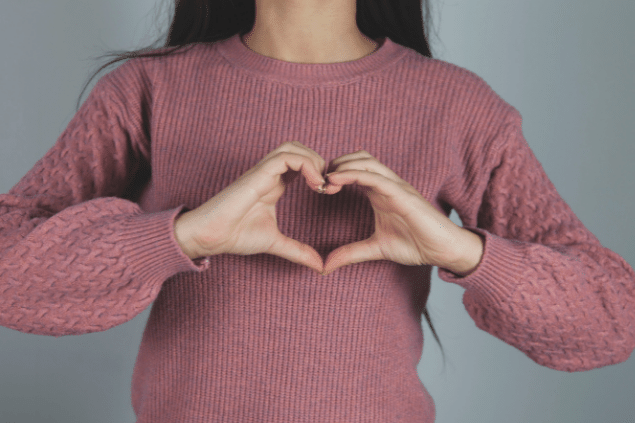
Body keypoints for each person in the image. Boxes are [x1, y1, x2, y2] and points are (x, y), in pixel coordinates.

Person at [1, 0, 634, 422]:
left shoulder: (458, 107)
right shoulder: (147, 92)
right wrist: (183, 234)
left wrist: (460, 250)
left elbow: (612, 323)